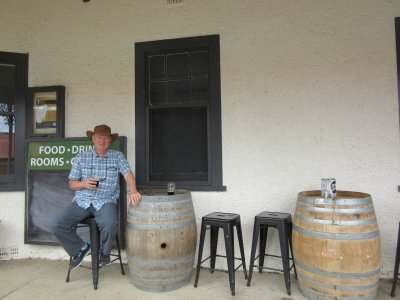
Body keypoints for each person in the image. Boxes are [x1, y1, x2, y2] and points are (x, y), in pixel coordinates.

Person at [52, 124, 141, 269]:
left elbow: (128, 174)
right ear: (93, 138)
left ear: (110, 140)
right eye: (100, 137)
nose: (103, 140)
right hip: (82, 201)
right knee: (57, 224)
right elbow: (72, 184)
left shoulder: (117, 156)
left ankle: (104, 252)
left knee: (110, 224)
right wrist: (84, 184)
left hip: (105, 201)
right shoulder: (81, 157)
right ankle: (80, 248)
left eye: (106, 138)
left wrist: (133, 191)